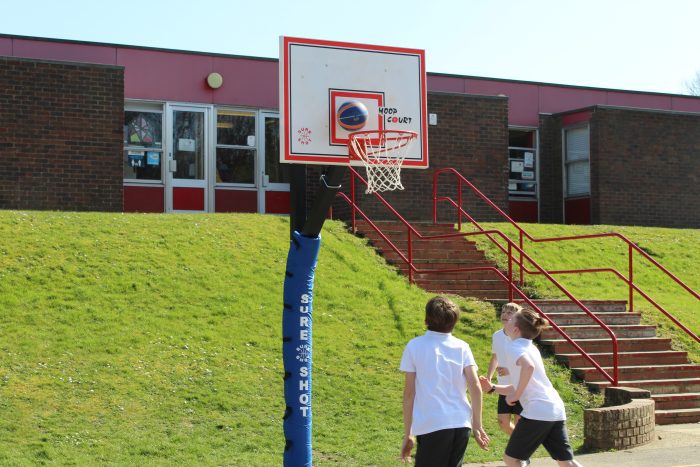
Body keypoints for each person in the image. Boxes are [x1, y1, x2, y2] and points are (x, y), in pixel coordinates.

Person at [479, 308, 582, 467]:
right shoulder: (531, 347)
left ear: (515, 329)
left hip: (538, 411)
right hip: (555, 408)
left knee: (511, 459)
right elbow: (522, 383)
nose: (507, 320)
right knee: (566, 461)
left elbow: (528, 368)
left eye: (511, 319)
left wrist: (515, 395)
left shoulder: (514, 347)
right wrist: (493, 387)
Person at [400, 296, 489, 465]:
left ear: (426, 320)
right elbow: (475, 386)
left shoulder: (414, 346)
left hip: (432, 424)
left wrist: (408, 433)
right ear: (454, 321)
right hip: (461, 424)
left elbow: (409, 394)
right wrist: (477, 425)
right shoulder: (462, 346)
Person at [485, 302, 524, 435]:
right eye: (503, 312)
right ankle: (520, 448)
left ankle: (521, 453)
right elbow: (495, 357)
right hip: (503, 386)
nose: (505, 315)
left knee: (520, 422)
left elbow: (528, 363)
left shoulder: (520, 336)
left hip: (519, 385)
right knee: (503, 422)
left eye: (509, 313)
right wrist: (489, 378)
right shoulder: (497, 335)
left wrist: (510, 369)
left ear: (517, 317)